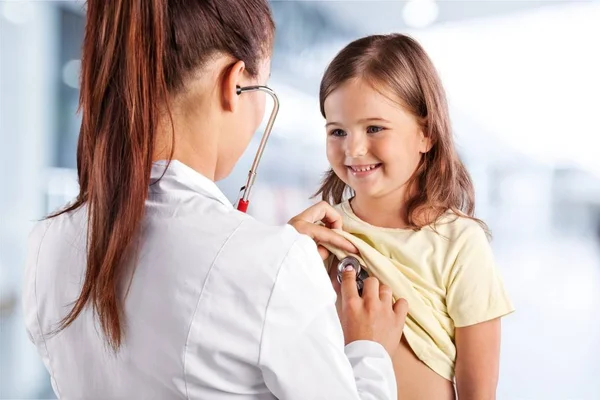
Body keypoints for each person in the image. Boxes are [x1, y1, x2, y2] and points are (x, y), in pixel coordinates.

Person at [21, 2, 408, 399]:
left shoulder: (46, 244)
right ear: (234, 84)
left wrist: (271, 267)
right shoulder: (270, 265)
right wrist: (369, 349)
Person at [299, 34, 515, 399]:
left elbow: (478, 393)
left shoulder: (460, 243)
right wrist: (286, 254)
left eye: (374, 128)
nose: (353, 148)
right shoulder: (318, 235)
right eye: (337, 131)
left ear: (426, 134)